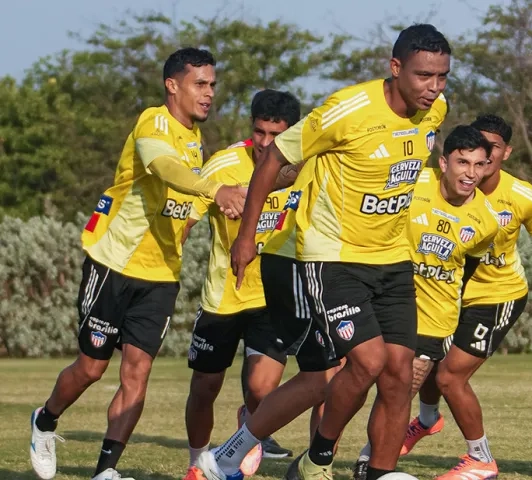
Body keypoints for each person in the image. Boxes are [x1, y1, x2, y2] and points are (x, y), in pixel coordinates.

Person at [199, 23, 451, 480]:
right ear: (396, 68)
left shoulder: (434, 112)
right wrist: (246, 237)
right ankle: (315, 457)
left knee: (399, 375)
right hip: (334, 257)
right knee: (366, 361)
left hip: (393, 259)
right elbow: (274, 158)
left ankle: (377, 473)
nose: (433, 87)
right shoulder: (347, 110)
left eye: (442, 77)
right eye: (423, 75)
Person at [28, 48, 247, 480]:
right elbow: (163, 167)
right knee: (91, 368)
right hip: (115, 263)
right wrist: (215, 189)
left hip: (161, 276)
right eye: (200, 84)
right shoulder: (153, 122)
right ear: (172, 85)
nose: (209, 93)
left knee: (138, 373)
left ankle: (105, 471)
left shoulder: (195, 141)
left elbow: (182, 202)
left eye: (212, 85)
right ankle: (45, 419)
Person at [392, 114, 532, 480]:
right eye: (475, 150)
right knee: (429, 359)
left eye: (491, 149)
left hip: (497, 295)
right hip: (450, 293)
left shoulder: (521, 196)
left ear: (505, 152)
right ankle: (427, 420)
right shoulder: (438, 185)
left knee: (449, 377)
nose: (483, 158)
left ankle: (481, 459)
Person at [354, 125, 499, 480]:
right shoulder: (413, 183)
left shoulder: (486, 221)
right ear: (444, 162)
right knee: (353, 380)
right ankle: (323, 457)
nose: (470, 173)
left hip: (433, 318)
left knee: (396, 393)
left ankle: (371, 461)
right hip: (383, 301)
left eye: (479, 165)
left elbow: (467, 269)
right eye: (462, 162)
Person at [180, 89, 300, 478]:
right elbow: (187, 219)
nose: (265, 142)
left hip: (272, 297)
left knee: (262, 391)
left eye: (275, 135)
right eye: (259, 132)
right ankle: (197, 462)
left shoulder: (306, 167)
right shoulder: (224, 165)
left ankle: (243, 435)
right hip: (223, 296)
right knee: (205, 387)